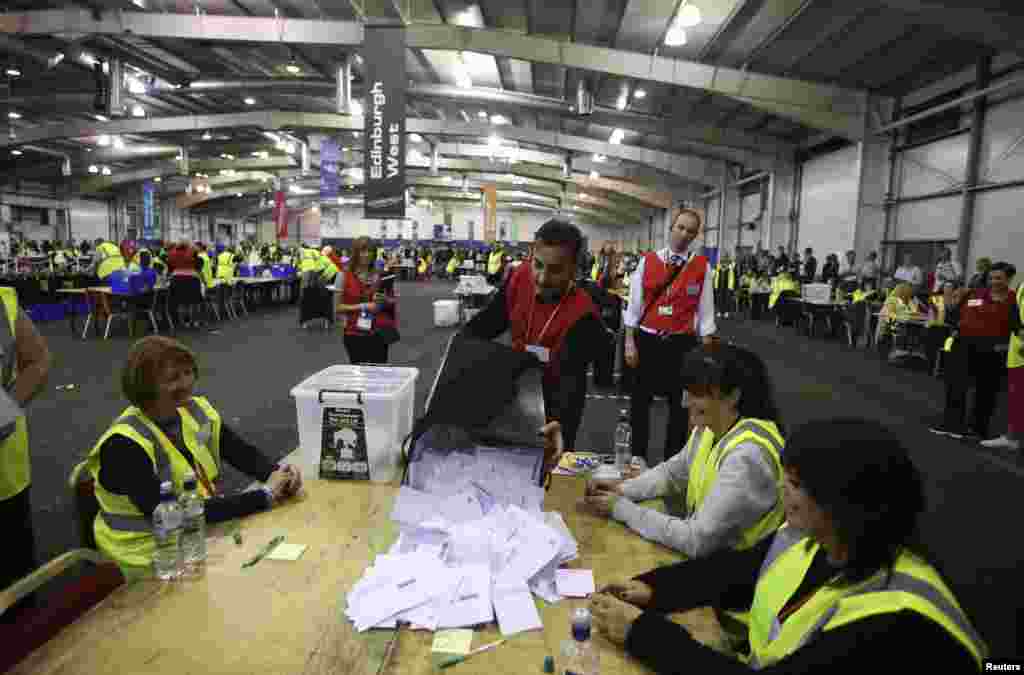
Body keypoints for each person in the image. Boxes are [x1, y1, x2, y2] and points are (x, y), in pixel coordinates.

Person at [589, 418, 987, 673]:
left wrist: (642, 634)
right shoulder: (824, 539)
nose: (782, 492)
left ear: (841, 502)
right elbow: (735, 572)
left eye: (795, 485)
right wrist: (655, 589)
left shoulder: (891, 620)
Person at [84, 337, 302, 579]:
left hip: (196, 535)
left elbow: (238, 451)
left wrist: (276, 473)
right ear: (145, 387)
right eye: (173, 378)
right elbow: (173, 514)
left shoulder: (193, 411)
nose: (187, 384)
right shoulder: (123, 446)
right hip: (146, 555)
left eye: (188, 373)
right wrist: (264, 496)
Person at [584, 344, 784, 560]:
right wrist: (622, 490)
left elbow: (695, 539)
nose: (684, 401)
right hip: (714, 560)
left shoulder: (748, 456)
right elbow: (672, 473)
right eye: (686, 391)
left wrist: (621, 508)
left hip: (740, 576)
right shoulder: (712, 426)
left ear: (732, 396)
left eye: (697, 393)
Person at [462, 220, 607, 456]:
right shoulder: (520, 276)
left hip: (554, 400)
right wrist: (461, 349)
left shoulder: (584, 316)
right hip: (513, 388)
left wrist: (560, 423)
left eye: (555, 270)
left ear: (574, 269)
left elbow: (569, 382)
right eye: (538, 265)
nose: (541, 277)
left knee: (547, 469)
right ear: (532, 254)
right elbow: (489, 322)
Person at [624, 208, 717, 465]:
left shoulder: (702, 267)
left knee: (680, 407)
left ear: (696, 236)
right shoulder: (648, 261)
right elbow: (634, 306)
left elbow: (706, 313)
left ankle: (671, 462)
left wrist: (707, 356)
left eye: (690, 231)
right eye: (680, 227)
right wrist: (630, 342)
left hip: (682, 345)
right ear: (671, 229)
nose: (684, 234)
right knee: (639, 403)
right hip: (647, 340)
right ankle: (637, 456)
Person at [0, 285, 51, 621]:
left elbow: (39, 360)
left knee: (13, 582)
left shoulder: (4, 300)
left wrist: (4, 408)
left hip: (4, 468)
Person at [930, 262, 1017, 440]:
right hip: (963, 345)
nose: (994, 281)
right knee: (955, 385)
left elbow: (1016, 327)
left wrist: (1006, 346)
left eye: (999, 278)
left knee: (986, 392)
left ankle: (977, 429)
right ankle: (952, 424)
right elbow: (955, 314)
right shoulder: (974, 294)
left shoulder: (1014, 300)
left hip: (992, 351)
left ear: (1009, 279)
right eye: (992, 278)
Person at [335, 237, 397, 365]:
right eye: (363, 251)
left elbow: (391, 301)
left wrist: (384, 300)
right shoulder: (343, 276)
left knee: (379, 372)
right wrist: (363, 306)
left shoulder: (379, 275)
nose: (367, 255)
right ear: (356, 253)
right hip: (354, 333)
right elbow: (337, 307)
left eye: (370, 251)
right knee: (359, 374)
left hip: (378, 332)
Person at [981, 270, 1024, 451]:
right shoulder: (1021, 285)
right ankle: (1013, 436)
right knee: (1016, 397)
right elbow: (1016, 315)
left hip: (1021, 352)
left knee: (1018, 396)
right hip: (1017, 351)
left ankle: (1013, 438)